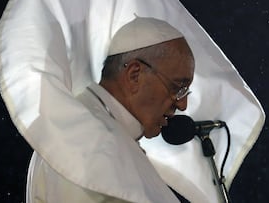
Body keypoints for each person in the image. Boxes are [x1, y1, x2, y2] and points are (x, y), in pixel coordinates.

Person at [26, 16, 195, 202]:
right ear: (134, 75)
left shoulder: (84, 125)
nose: (182, 104)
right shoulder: (92, 141)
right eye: (177, 88)